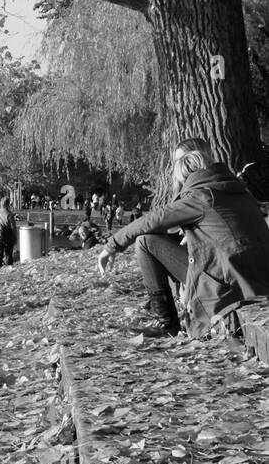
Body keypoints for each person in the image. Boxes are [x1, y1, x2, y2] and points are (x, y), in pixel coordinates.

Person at [98, 138, 269, 338]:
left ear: (185, 174)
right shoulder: (236, 190)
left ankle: (167, 324)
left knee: (145, 242)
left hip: (231, 285)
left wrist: (111, 246)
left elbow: (153, 220)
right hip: (255, 278)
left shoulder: (202, 196)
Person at [0, 196, 18, 267]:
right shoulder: (9, 215)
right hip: (8, 237)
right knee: (8, 254)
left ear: (1, 204)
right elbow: (13, 228)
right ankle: (8, 268)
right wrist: (15, 237)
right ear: (8, 204)